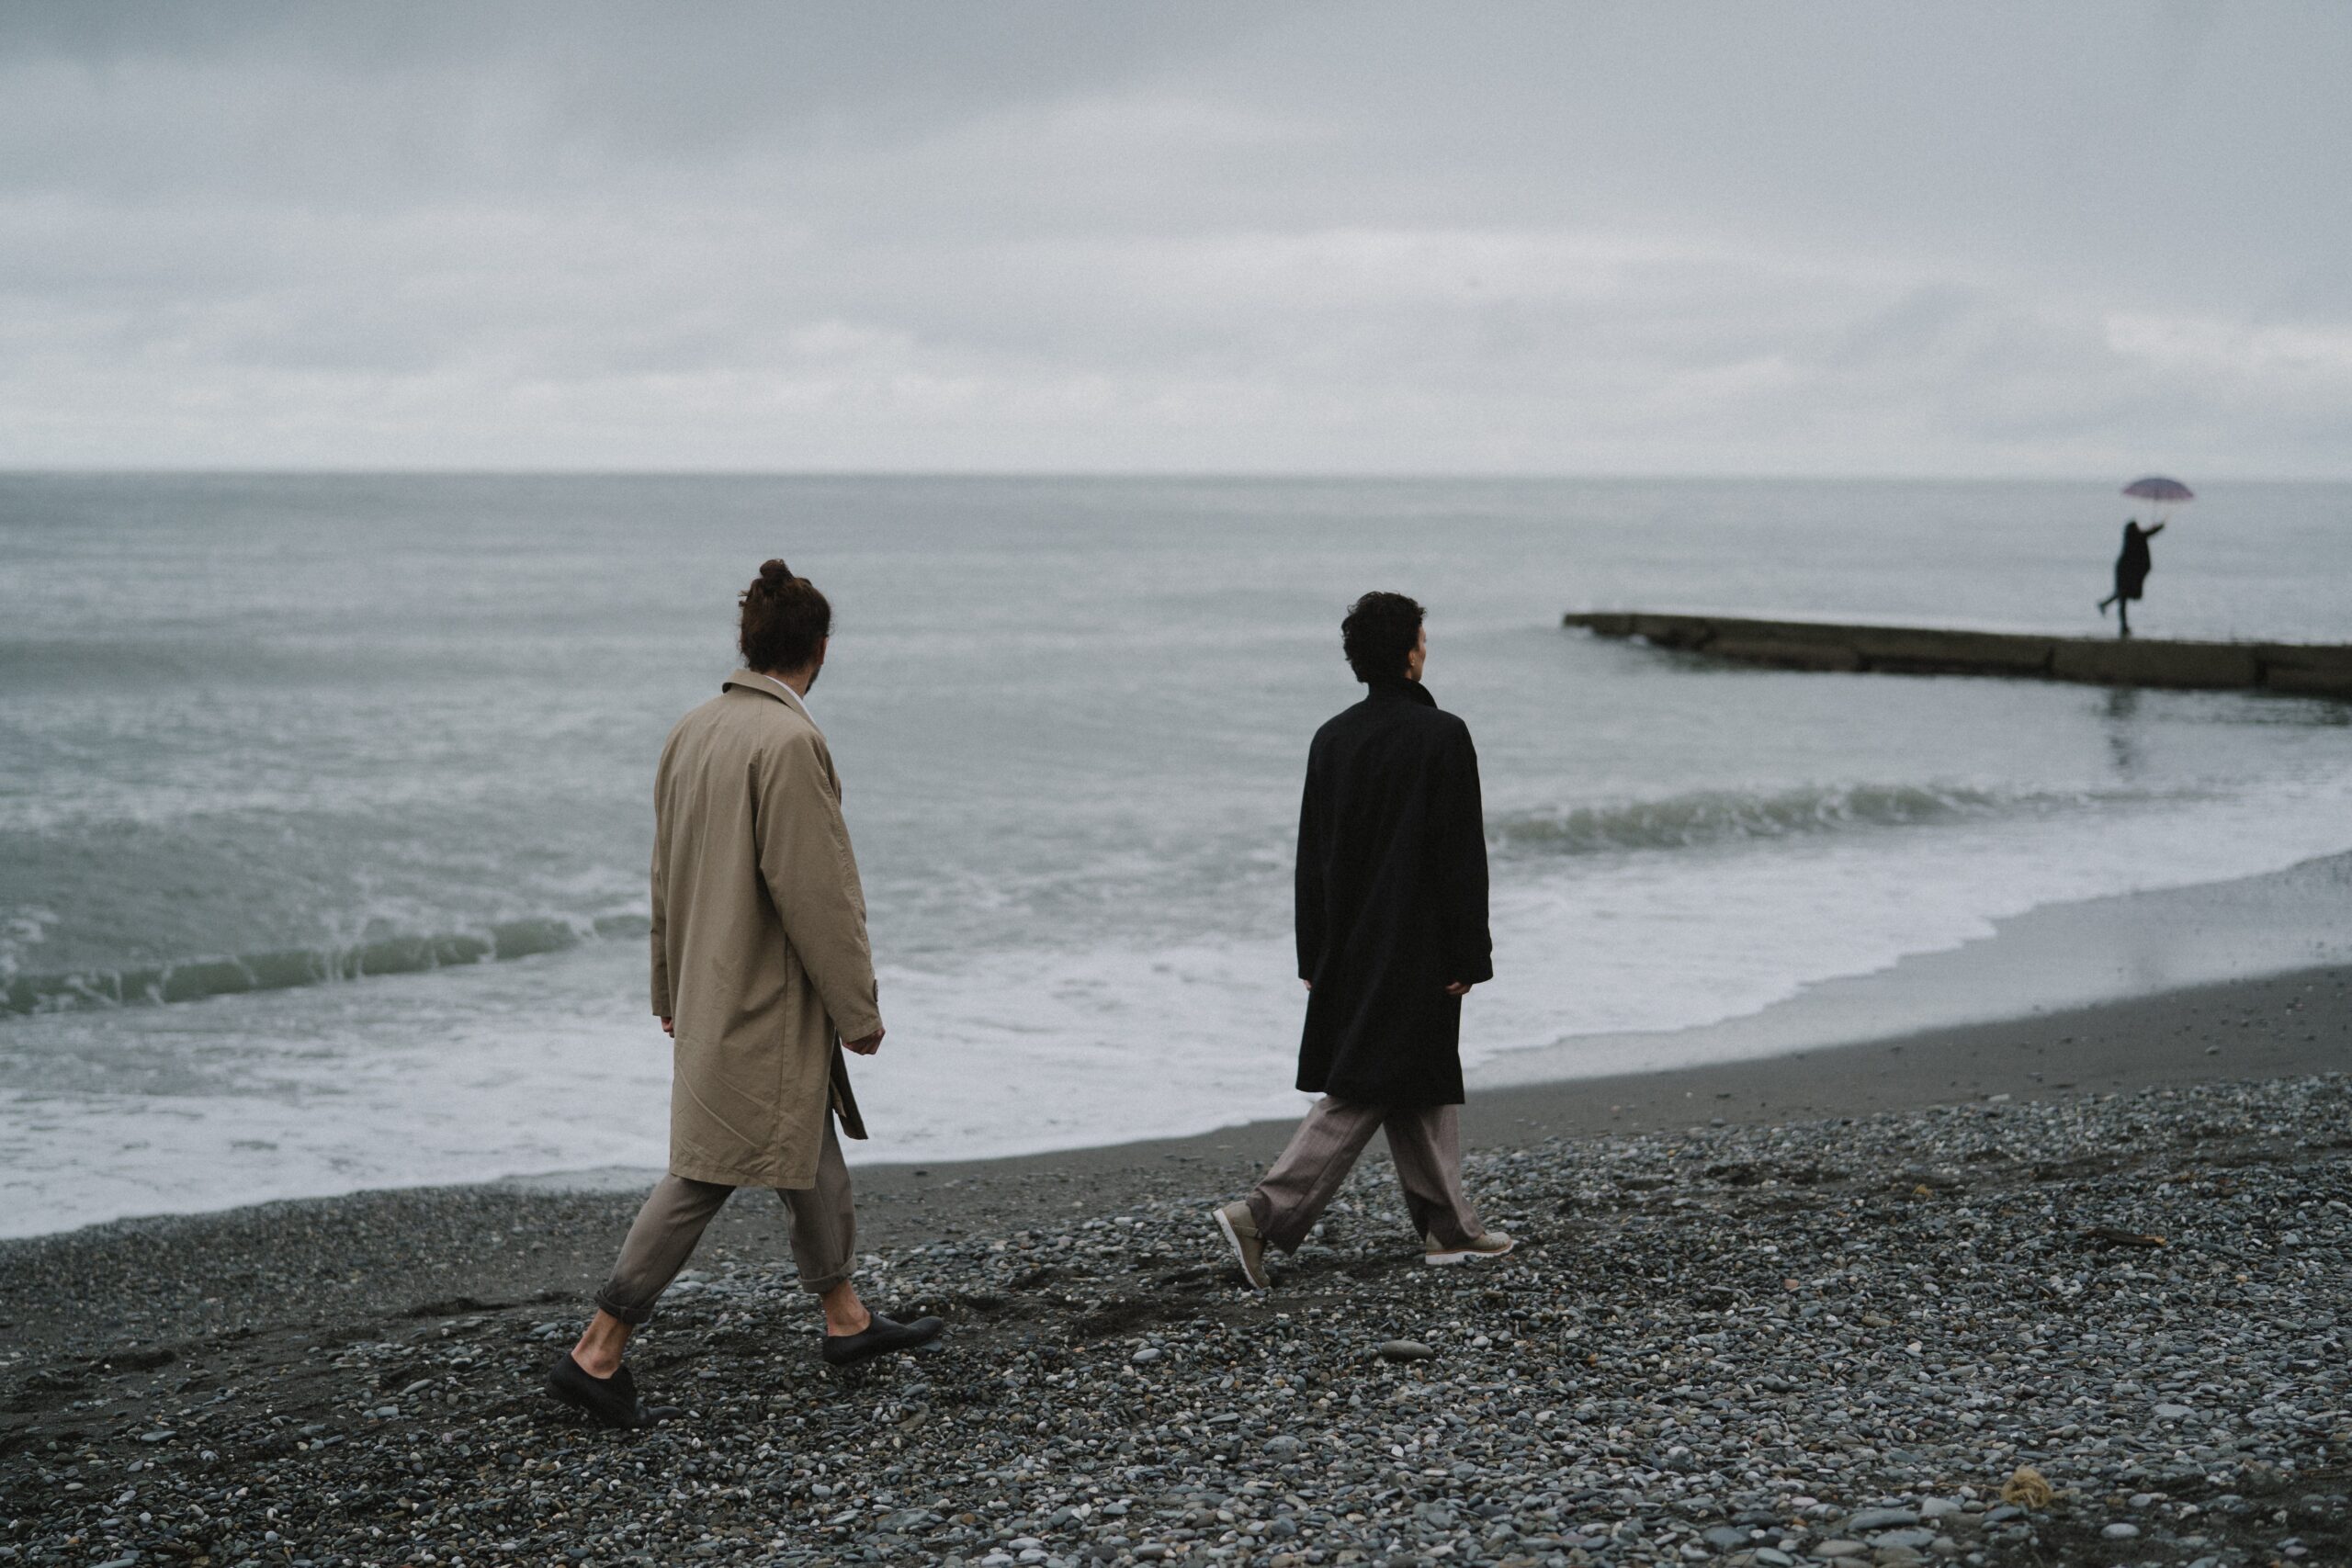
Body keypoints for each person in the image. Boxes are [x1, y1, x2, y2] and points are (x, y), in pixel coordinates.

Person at [547, 559, 942, 1429]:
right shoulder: (791, 742)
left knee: (802, 1146)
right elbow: (817, 892)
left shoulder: (691, 730)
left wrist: (666, 983)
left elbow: (662, 878)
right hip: (765, 1000)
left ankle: (846, 1318)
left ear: (749, 643)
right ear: (820, 649)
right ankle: (599, 1346)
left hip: (708, 987)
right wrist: (859, 1008)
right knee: (705, 1170)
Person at [1212, 592, 1514, 1290]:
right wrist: (1471, 952)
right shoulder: (1442, 734)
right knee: (1368, 1084)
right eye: (1422, 637)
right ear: (1408, 652)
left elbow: (1312, 857)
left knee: (1418, 1075)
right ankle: (1262, 1212)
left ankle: (1450, 1229)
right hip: (1417, 942)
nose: (1426, 647)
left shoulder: (1332, 737)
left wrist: (1313, 952)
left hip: (1349, 942)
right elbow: (1459, 855)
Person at [2097, 518, 2165, 638]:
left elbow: (2146, 533)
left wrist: (2155, 528)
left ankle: (2105, 606)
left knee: (2124, 594)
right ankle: (2123, 626)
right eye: (2137, 526)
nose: (2139, 528)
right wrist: (2159, 526)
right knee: (2124, 595)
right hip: (2125, 570)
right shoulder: (2136, 537)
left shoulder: (2133, 537)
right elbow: (2147, 534)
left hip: (2126, 569)